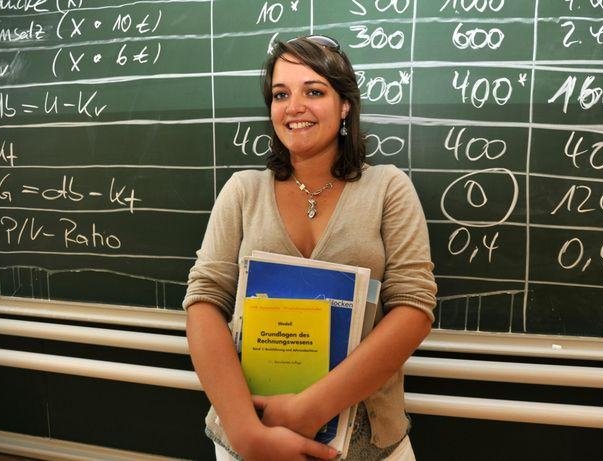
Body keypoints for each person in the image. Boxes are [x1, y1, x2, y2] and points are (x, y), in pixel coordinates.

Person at [183, 35, 437, 461]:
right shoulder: (243, 191)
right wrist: (248, 434)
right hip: (250, 431)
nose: (293, 107)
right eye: (281, 94)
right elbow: (204, 302)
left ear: (344, 106)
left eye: (313, 91)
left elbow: (414, 308)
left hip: (368, 441)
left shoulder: (388, 187)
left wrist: (309, 408)